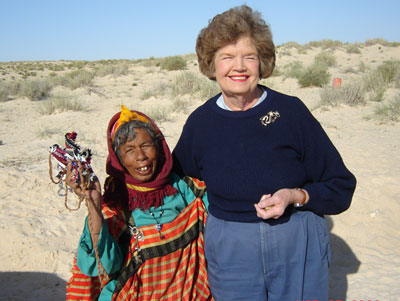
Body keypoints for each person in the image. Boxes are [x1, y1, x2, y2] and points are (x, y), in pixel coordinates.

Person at [173, 5, 356, 301]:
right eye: (227, 57)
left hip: (297, 242)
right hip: (231, 251)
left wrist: (296, 196)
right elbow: (172, 181)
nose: (239, 66)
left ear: (262, 62)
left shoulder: (291, 112)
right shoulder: (200, 123)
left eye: (249, 56)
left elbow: (341, 186)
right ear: (211, 64)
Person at [65, 105, 212, 300]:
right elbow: (105, 267)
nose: (141, 157)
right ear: (118, 159)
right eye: (129, 150)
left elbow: (222, 213)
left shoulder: (184, 188)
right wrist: (94, 208)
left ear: (159, 149)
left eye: (146, 145)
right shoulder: (117, 204)